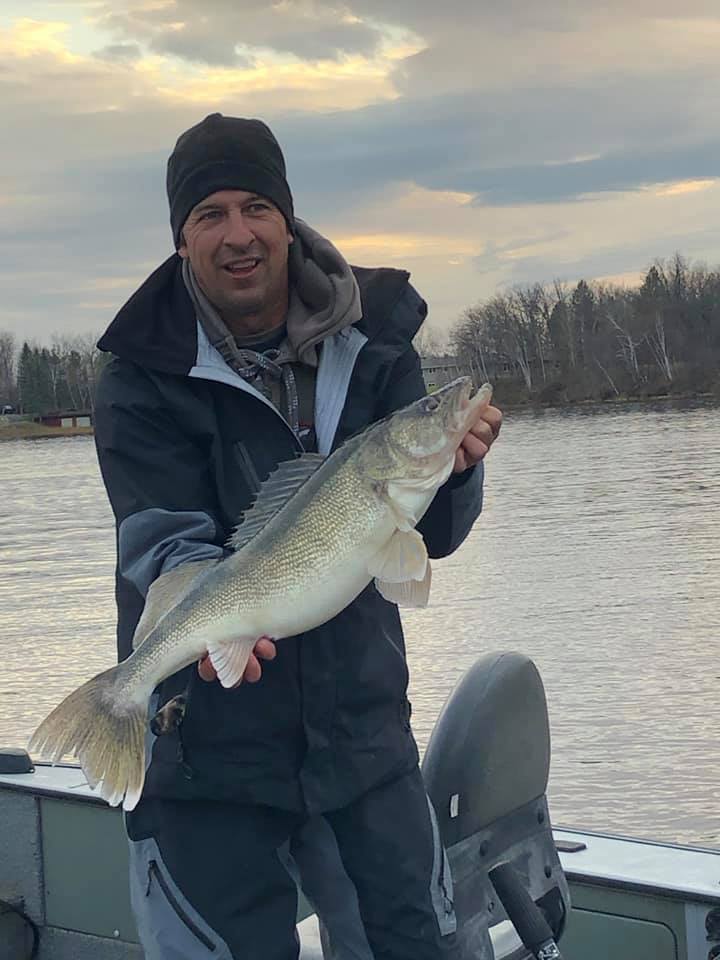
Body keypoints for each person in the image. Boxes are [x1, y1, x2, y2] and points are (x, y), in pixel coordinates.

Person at [94, 113, 502, 960]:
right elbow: (162, 534)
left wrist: (455, 470)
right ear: (182, 240)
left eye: (255, 208)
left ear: (287, 219)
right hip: (208, 750)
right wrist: (212, 630)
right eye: (210, 215)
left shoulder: (377, 339)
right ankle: (119, 702)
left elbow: (433, 541)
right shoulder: (138, 376)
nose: (238, 234)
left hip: (361, 740)